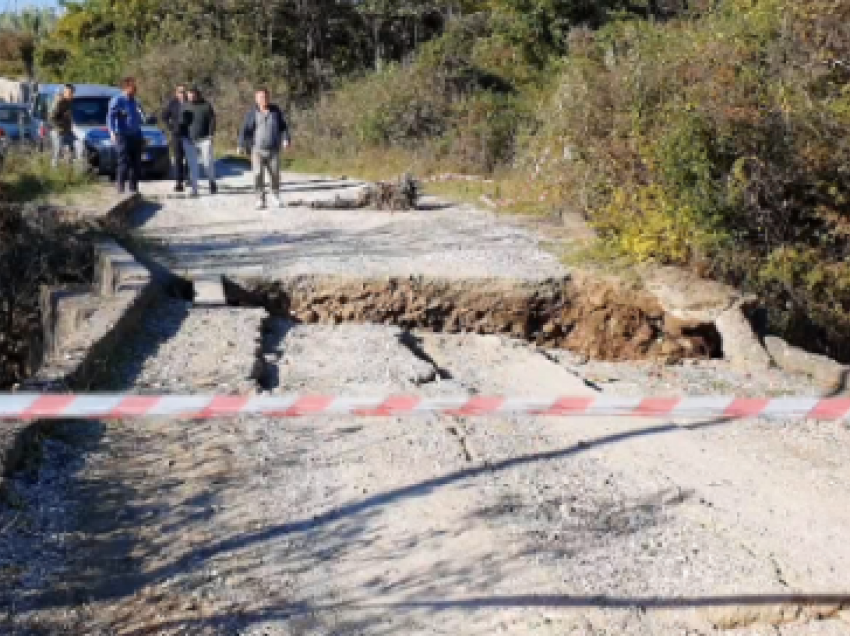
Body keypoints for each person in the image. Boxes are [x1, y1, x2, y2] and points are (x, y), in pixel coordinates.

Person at [238, 88, 291, 210]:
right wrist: (241, 144)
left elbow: (283, 127)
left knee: (275, 174)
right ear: (256, 99)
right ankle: (260, 198)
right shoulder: (252, 113)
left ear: (269, 97)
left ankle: (275, 195)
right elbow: (244, 130)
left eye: (265, 97)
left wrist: (286, 139)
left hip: (273, 150)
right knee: (258, 174)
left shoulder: (275, 111)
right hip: (257, 149)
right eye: (260, 97)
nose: (263, 99)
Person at [108, 77, 145, 194]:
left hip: (135, 134)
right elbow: (110, 117)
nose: (135, 90)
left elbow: (140, 117)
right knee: (123, 161)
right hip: (122, 134)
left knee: (136, 162)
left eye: (135, 88)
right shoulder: (117, 100)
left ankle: (133, 187)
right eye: (133, 87)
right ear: (126, 87)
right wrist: (112, 132)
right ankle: (120, 186)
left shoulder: (135, 101)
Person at [181, 87, 217, 196]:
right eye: (189, 94)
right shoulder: (185, 106)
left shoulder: (206, 105)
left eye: (192, 94)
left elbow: (212, 120)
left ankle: (211, 181)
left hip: (205, 139)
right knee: (193, 165)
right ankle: (194, 189)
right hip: (189, 140)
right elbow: (181, 122)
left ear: (197, 94)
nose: (191, 96)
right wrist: (182, 136)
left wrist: (211, 135)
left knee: (207, 163)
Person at [161, 83, 189, 192]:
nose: (182, 94)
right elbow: (164, 116)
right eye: (180, 92)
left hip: (188, 135)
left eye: (184, 92)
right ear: (176, 93)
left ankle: (188, 177)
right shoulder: (172, 103)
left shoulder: (189, 103)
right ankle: (179, 182)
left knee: (188, 158)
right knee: (178, 159)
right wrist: (171, 127)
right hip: (176, 134)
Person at [49, 83, 83, 168]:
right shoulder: (59, 102)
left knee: (79, 145)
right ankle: (54, 172)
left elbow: (68, 116)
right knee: (57, 152)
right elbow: (51, 118)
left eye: (71, 93)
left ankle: (77, 170)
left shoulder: (69, 102)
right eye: (68, 92)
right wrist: (59, 127)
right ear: (64, 92)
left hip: (68, 131)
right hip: (58, 132)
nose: (70, 94)